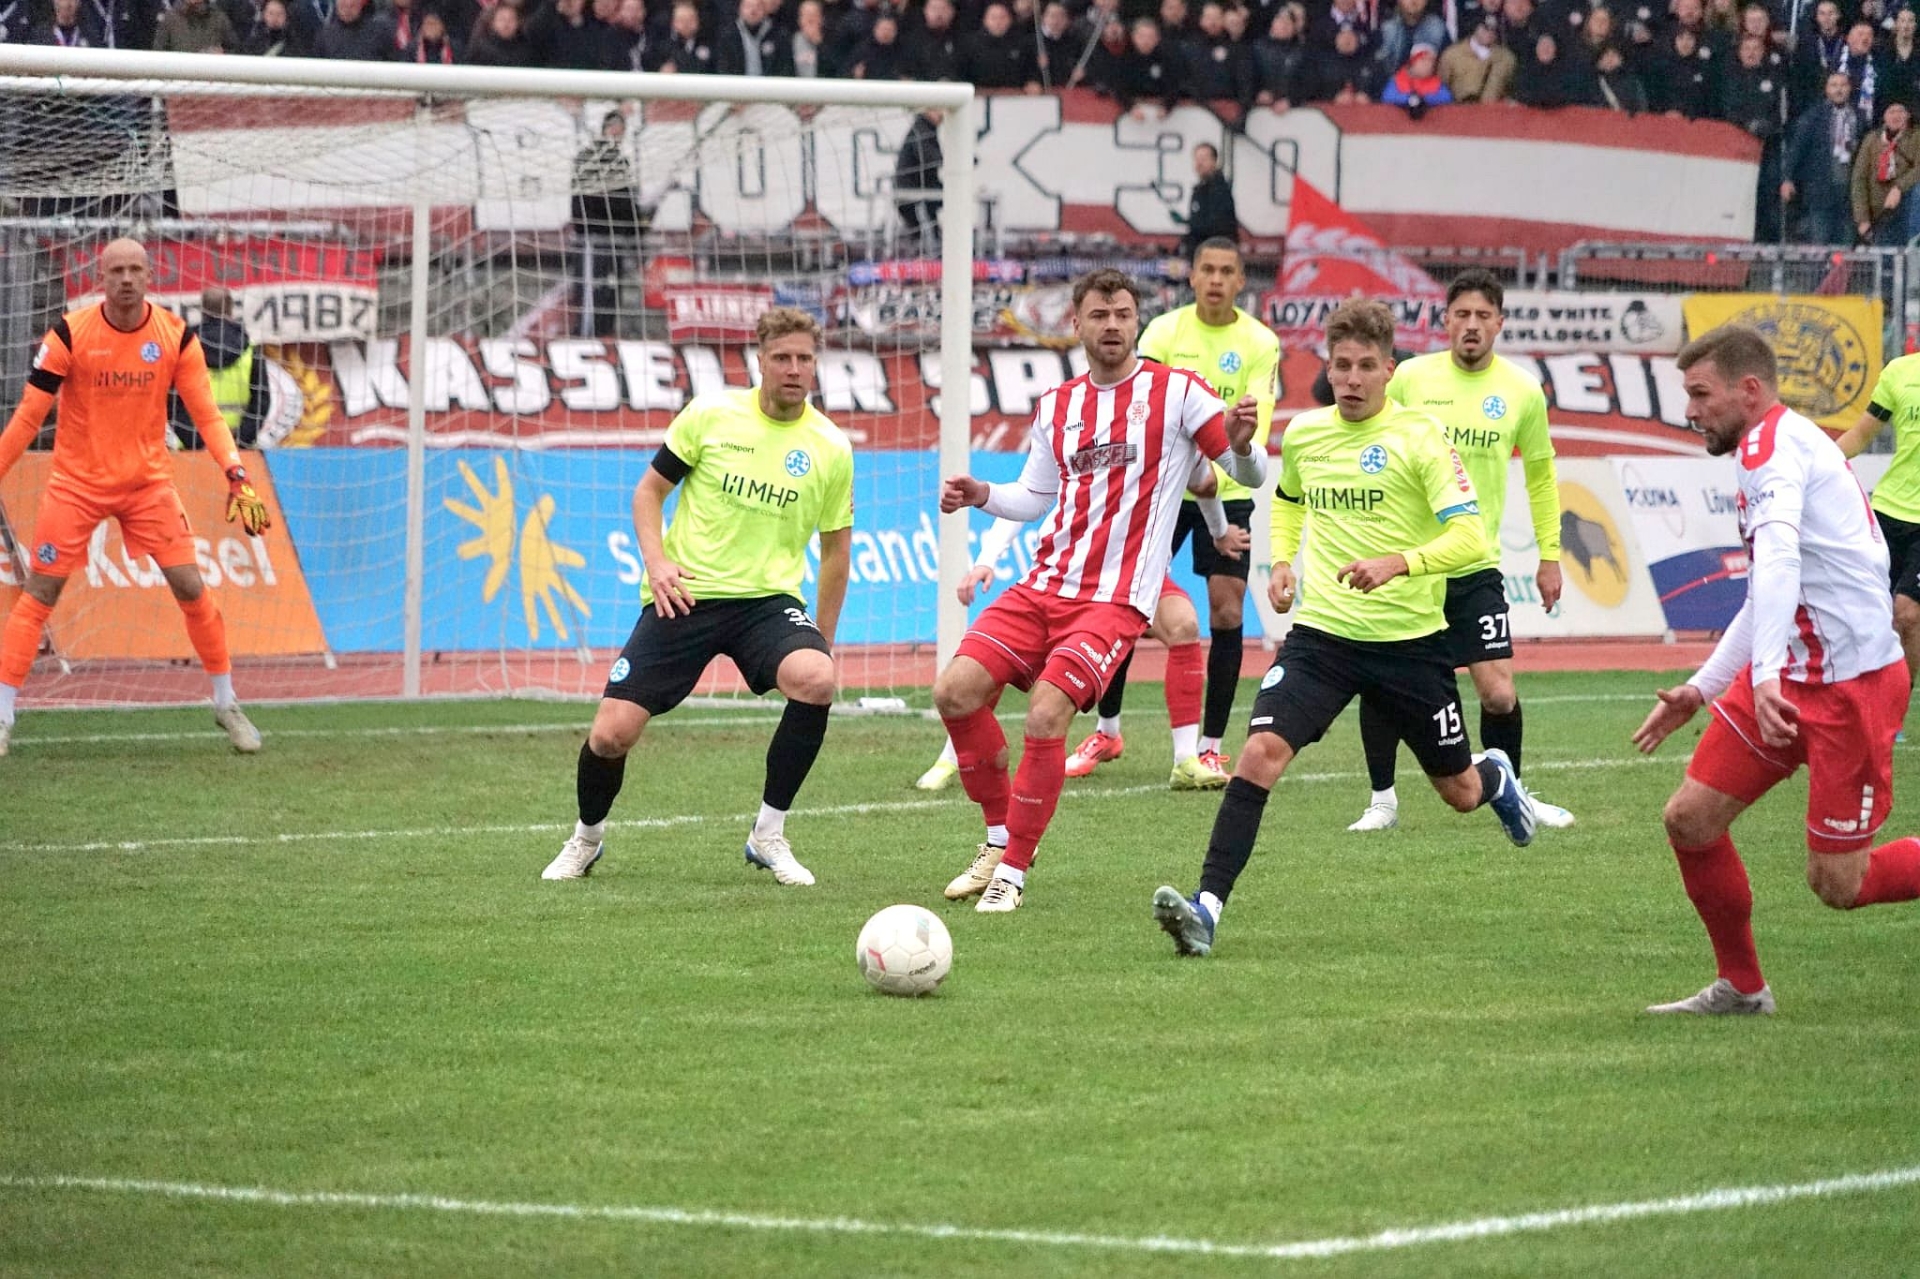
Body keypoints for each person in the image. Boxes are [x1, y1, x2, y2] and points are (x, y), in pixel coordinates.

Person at [1150, 298, 1537, 958]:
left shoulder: (1421, 437)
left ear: (1390, 370)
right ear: (1327, 370)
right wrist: (1282, 563)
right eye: (1342, 366)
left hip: (1410, 644)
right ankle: (1206, 909)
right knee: (1259, 753)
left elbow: (1471, 538)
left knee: (1459, 791)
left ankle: (1496, 777)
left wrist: (1399, 562)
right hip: (1322, 638)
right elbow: (1290, 500)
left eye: (1365, 366)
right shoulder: (1306, 434)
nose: (1352, 379)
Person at [932, 268, 1267, 914]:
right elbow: (1033, 496)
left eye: (1122, 314)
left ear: (1137, 321)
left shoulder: (1178, 392)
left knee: (1045, 715)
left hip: (1114, 600)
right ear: (1077, 324)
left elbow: (1240, 471)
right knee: (954, 692)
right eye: (1099, 315)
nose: (1112, 325)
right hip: (1044, 584)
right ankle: (998, 839)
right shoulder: (1057, 406)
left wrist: (1245, 446)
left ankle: (1013, 872)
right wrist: (983, 494)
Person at [1631, 325, 1920, 1015]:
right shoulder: (1772, 445)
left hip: (1851, 688)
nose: (1690, 410)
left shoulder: (1773, 450)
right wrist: (1703, 687)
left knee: (1840, 883)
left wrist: (1761, 677)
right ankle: (1742, 987)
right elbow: (1767, 588)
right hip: (1792, 678)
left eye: (1701, 394)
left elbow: (1781, 558)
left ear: (1749, 389)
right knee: (1690, 819)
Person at [540, 307, 852, 885]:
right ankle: (586, 839)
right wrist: (657, 563)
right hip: (686, 594)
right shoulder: (711, 414)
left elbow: (836, 551)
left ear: (815, 365)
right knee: (610, 735)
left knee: (816, 680)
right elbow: (647, 493)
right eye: (782, 357)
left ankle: (769, 835)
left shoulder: (831, 447)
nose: (794, 368)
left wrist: (823, 642)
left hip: (767, 602)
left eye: (804, 358)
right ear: (760, 360)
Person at [0, 238, 270, 758]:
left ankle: (226, 702)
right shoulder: (69, 333)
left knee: (192, 587)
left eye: (135, 270)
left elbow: (207, 415)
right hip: (76, 485)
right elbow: (29, 416)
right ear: (101, 278)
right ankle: (3, 715)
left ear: (149, 275)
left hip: (148, 485)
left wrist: (236, 473)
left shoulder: (176, 336)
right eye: (116, 270)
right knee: (40, 593)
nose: (126, 278)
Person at [1346, 269, 1571, 834]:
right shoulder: (1410, 378)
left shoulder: (1522, 390)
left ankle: (1513, 795)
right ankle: (1382, 801)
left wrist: (1549, 555)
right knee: (1384, 683)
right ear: (1445, 321)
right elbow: (1368, 440)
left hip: (1473, 564)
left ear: (1500, 323)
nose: (1472, 325)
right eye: (1462, 314)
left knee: (1498, 693)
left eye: (1483, 316)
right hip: (1406, 563)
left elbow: (1541, 477)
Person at [1068, 237, 1279, 788]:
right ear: (1192, 277)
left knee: (1226, 611)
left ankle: (1209, 749)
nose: (1216, 279)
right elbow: (1143, 410)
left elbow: (1249, 428)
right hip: (1159, 488)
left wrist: (1220, 461)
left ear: (1240, 281)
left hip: (1225, 484)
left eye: (1227, 271)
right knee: (1125, 602)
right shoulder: (1163, 332)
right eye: (1207, 269)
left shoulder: (1260, 342)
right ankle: (1107, 730)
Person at [916, 471, 1252, 792]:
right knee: (1001, 657)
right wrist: (986, 559)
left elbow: (1209, 479)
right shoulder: (1075, 436)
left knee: (1183, 624)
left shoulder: (1172, 433)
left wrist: (1220, 529)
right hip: (1070, 576)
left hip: (1134, 578)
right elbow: (1029, 492)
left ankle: (1186, 760)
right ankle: (951, 757)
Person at [1834, 348, 1920, 697]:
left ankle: (1897, 702)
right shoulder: (1899, 372)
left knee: (1907, 613)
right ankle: (1866, 697)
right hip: (1887, 510)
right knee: (1870, 615)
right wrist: (1814, 465)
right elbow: (1860, 436)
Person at [570, 111, 648, 338]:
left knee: (611, 290)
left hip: (615, 240)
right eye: (613, 129)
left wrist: (635, 227)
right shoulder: (588, 158)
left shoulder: (621, 162)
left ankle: (605, 334)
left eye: (620, 131)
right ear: (605, 129)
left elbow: (625, 202)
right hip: (594, 239)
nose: (617, 134)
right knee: (592, 289)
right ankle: (586, 336)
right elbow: (586, 201)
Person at [171, 287, 269, 450]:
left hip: (194, 452)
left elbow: (173, 404)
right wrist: (242, 438)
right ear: (230, 309)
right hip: (238, 451)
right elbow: (262, 402)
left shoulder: (184, 350)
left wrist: (197, 442)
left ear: (203, 310)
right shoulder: (250, 351)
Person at [1782, 70, 1862, 245]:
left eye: (1843, 85)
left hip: (1850, 193)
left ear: (1850, 88)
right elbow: (1797, 149)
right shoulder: (1813, 116)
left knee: (1845, 245)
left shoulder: (1859, 116)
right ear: (1826, 89)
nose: (1839, 90)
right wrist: (1787, 178)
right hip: (1820, 190)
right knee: (1820, 244)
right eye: (1834, 85)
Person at [1852, 100, 1920, 246]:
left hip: (1907, 212)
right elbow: (1859, 179)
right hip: (1880, 216)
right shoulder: (1871, 139)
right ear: (1884, 116)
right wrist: (1862, 219)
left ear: (1908, 115)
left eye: (1900, 111)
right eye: (1891, 112)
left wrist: (1899, 188)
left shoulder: (1916, 137)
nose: (1896, 116)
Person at [1172, 143, 1238, 257]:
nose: (1199, 163)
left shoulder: (1219, 189)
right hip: (1199, 251)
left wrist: (1188, 223)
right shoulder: (1200, 189)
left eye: (1203, 159)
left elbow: (1218, 226)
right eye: (1196, 159)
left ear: (1214, 161)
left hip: (1215, 253)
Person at [892, 108, 944, 251]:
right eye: (938, 110)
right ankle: (933, 245)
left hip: (920, 186)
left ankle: (934, 242)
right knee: (937, 203)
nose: (942, 115)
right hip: (911, 189)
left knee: (946, 198)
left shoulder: (926, 128)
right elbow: (929, 157)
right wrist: (955, 159)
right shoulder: (921, 129)